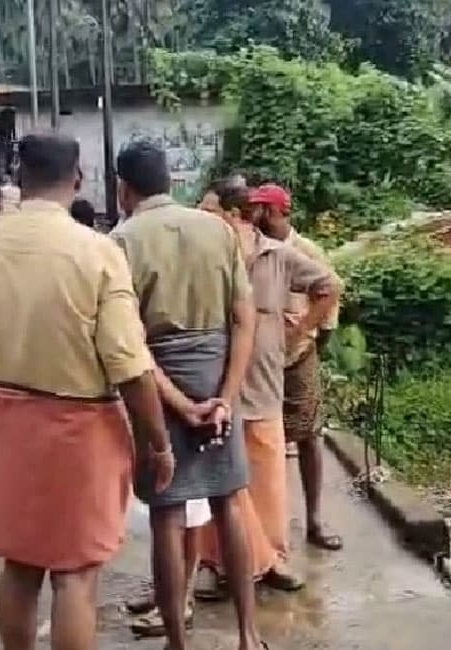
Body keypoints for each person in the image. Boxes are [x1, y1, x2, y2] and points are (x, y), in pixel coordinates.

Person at [0, 133, 175, 650]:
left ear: (18, 180)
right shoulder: (95, 251)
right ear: (76, 178)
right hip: (78, 429)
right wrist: (157, 445)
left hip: (6, 425)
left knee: (20, 565)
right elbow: (129, 366)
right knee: (75, 575)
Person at [108, 140, 262, 650]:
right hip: (220, 381)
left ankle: (178, 641)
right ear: (171, 179)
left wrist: (178, 404)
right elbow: (244, 321)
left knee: (168, 518)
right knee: (229, 504)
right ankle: (247, 635)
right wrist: (225, 397)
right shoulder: (217, 229)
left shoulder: (121, 240)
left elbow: (130, 344)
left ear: (123, 188)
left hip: (159, 385)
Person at [195, 183, 340, 596]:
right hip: (214, 387)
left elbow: (328, 286)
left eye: (209, 209)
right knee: (215, 480)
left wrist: (303, 330)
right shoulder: (205, 257)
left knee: (267, 479)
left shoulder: (279, 256)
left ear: (236, 214)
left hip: (262, 384)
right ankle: (213, 563)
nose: (201, 216)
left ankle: (273, 559)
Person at [256, 185, 345, 552]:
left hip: (297, 357)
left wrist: (305, 331)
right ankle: (269, 529)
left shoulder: (306, 252)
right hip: (260, 360)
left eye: (260, 209)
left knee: (309, 437)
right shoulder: (252, 248)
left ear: (275, 212)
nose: (253, 214)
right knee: (263, 443)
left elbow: (330, 302)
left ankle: (314, 520)